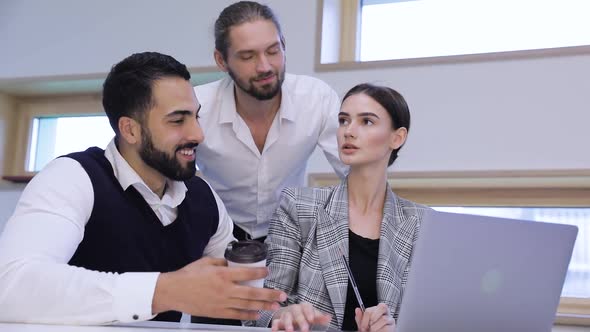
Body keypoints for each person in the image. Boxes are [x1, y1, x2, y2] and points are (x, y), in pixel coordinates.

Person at [0, 52, 286, 325]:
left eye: (196, 117)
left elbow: (239, 287)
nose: (198, 134)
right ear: (130, 130)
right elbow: (10, 286)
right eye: (177, 120)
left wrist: (281, 313)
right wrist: (163, 291)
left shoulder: (202, 196)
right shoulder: (72, 177)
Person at [257, 84, 431, 332]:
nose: (348, 131)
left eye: (367, 122)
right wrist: (284, 314)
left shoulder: (422, 223)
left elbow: (434, 319)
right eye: (343, 120)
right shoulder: (299, 206)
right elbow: (261, 308)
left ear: (397, 137)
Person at [195, 1, 348, 241]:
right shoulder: (197, 108)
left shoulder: (316, 98)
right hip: (217, 231)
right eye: (247, 56)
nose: (264, 66)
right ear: (221, 61)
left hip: (290, 230)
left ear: (284, 46)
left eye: (273, 51)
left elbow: (354, 169)